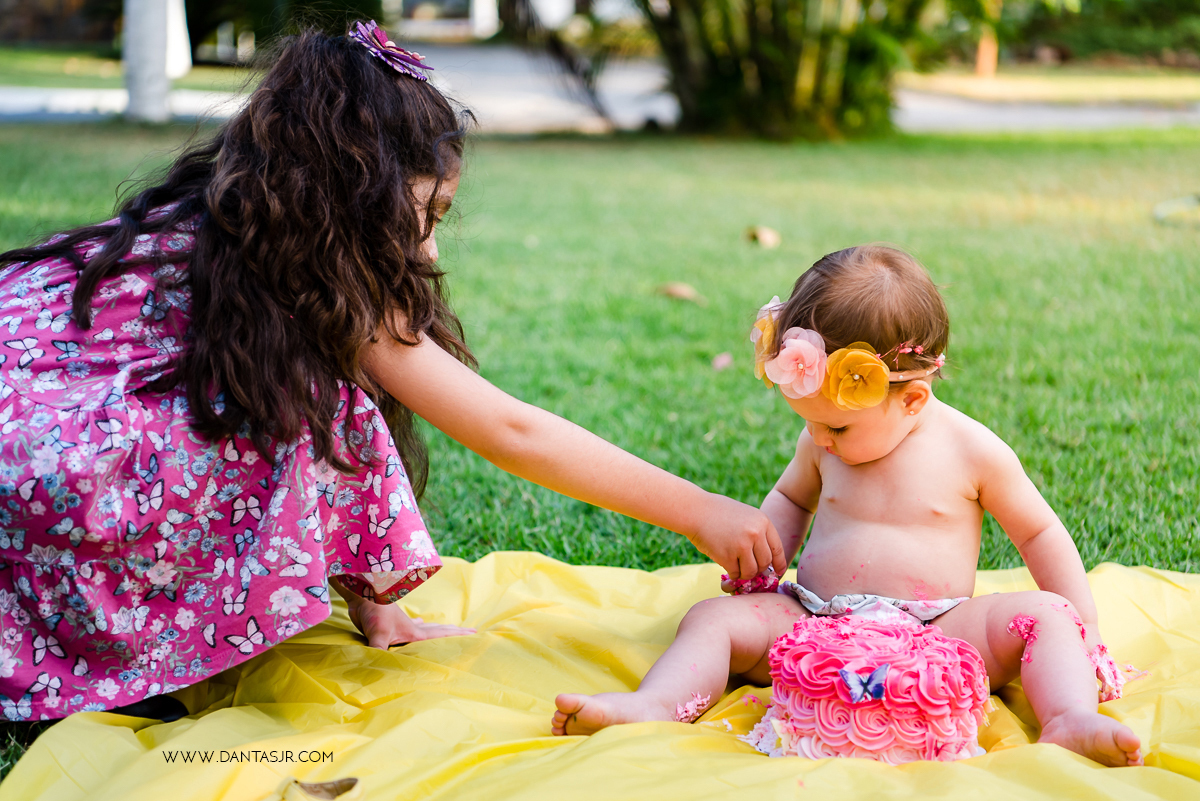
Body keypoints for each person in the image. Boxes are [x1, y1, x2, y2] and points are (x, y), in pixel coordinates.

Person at [0, 21, 784, 721]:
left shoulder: (247, 223)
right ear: (355, 190)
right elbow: (509, 429)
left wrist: (376, 609)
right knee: (315, 401)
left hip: (29, 430)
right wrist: (700, 510)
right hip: (40, 466)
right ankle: (109, 647)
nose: (433, 251)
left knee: (300, 394)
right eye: (428, 214)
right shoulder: (321, 277)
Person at [551, 245, 1144, 768]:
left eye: (835, 427)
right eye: (810, 424)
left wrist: (1084, 625)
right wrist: (764, 560)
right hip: (814, 618)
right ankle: (656, 703)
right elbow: (790, 498)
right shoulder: (823, 436)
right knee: (712, 620)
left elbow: (1039, 532)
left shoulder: (973, 451)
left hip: (939, 627)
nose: (821, 440)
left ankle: (1067, 716)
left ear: (912, 399)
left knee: (1046, 618)